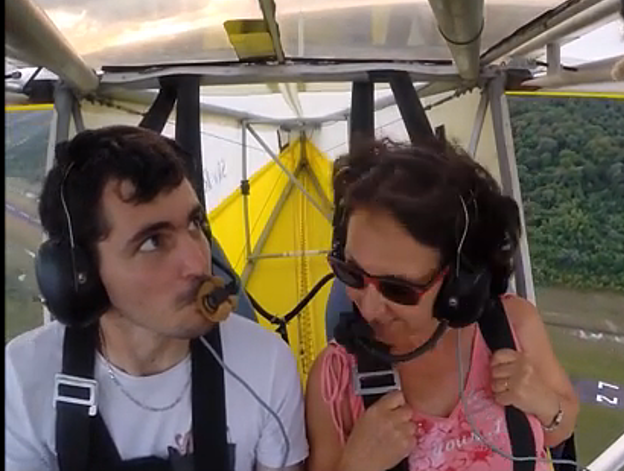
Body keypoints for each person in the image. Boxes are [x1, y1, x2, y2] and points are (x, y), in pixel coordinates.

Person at [5, 125, 309, 470]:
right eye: (152, 242)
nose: (198, 262)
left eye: (195, 225)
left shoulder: (265, 365)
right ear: (79, 273)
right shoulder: (24, 378)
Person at [305, 138, 579, 471]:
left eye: (398, 289)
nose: (370, 307)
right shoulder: (335, 380)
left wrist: (543, 401)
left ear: (460, 283)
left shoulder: (513, 327)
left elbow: (562, 428)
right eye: (351, 273)